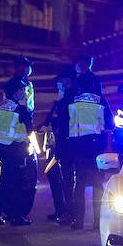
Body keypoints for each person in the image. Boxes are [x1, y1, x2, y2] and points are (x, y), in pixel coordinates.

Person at [61, 52, 111, 230]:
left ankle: (79, 220)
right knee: (98, 183)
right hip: (96, 146)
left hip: (78, 146)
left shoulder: (70, 101)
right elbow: (110, 124)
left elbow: (63, 122)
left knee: (79, 183)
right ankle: (98, 222)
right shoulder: (100, 101)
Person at [0, 79, 35, 226]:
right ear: (16, 92)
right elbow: (29, 130)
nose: (24, 93)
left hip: (1, 148)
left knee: (3, 183)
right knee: (17, 184)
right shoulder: (21, 110)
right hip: (16, 149)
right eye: (22, 90)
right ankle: (16, 217)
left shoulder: (2, 108)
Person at [40, 67, 74, 222]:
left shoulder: (69, 100)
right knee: (54, 177)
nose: (58, 86)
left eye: (60, 82)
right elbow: (50, 121)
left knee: (67, 180)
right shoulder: (60, 102)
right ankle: (61, 210)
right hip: (54, 146)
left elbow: (63, 124)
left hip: (65, 146)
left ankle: (68, 212)